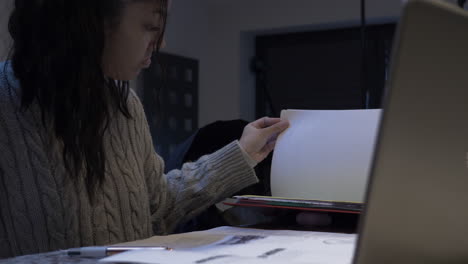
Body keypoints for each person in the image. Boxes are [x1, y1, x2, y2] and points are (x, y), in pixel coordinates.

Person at [0, 0, 289, 258]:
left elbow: (158, 206)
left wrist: (243, 153)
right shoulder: (6, 104)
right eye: (150, 25)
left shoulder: (124, 102)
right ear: (90, 21)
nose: (160, 43)